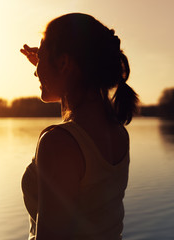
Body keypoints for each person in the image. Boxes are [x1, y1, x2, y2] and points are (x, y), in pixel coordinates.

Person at [20, 13, 139, 240]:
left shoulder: (58, 143)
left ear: (65, 63)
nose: (35, 71)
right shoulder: (117, 133)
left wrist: (51, 66)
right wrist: (48, 61)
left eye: (41, 59)